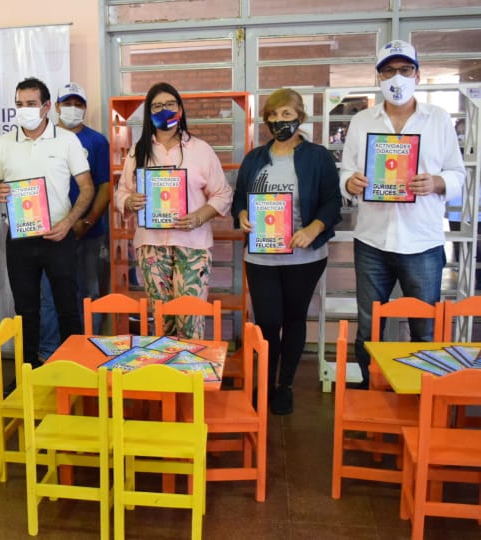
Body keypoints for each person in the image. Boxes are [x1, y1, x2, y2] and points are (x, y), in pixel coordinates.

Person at [340, 40, 465, 387]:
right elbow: (345, 171)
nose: (397, 77)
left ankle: (418, 398)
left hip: (422, 242)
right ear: (378, 76)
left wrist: (437, 182)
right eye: (389, 70)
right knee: (369, 328)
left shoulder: (438, 120)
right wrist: (350, 182)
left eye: (405, 70)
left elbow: (458, 174)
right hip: (372, 241)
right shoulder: (362, 121)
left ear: (418, 75)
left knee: (424, 329)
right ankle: (370, 393)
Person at [233, 88, 342, 415]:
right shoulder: (254, 158)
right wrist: (241, 215)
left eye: (286, 114)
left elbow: (333, 201)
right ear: (266, 119)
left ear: (300, 117)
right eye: (273, 116)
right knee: (267, 321)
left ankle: (286, 386)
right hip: (261, 256)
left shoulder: (317, 156)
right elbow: (240, 198)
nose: (279, 121)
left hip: (304, 257)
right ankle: (265, 381)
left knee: (294, 318)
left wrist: (314, 228)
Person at [0, 77, 94, 371]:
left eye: (31, 104)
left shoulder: (67, 140)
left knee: (68, 308)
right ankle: (26, 374)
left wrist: (69, 223)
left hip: (59, 237)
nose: (24, 110)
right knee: (25, 311)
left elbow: (88, 188)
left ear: (46, 107)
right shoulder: (4, 144)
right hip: (19, 239)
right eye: (19, 104)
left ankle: (75, 372)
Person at [115, 82, 232, 339]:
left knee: (190, 319)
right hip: (151, 246)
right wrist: (128, 201)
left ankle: (191, 376)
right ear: (149, 113)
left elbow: (223, 193)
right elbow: (121, 192)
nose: (164, 110)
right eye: (157, 106)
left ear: (180, 108)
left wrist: (200, 216)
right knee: (162, 319)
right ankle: (166, 377)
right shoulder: (138, 151)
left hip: (193, 245)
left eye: (170, 104)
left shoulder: (201, 150)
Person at [39, 82, 111, 357]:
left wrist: (87, 221)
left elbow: (104, 186)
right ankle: (51, 353)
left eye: (78, 104)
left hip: (88, 233)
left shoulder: (97, 141)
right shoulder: (44, 138)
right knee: (49, 296)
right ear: (56, 107)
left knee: (87, 292)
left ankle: (89, 351)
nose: (72, 109)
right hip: (51, 232)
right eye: (67, 103)